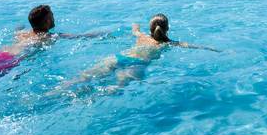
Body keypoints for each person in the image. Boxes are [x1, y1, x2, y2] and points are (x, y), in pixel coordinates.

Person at [57, 14, 208, 93]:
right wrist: (212, 49)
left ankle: (53, 93)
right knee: (114, 89)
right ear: (167, 28)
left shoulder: (142, 36)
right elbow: (190, 46)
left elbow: (135, 30)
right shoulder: (167, 43)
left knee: (81, 78)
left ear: (150, 29)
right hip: (136, 65)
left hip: (118, 57)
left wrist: (136, 25)